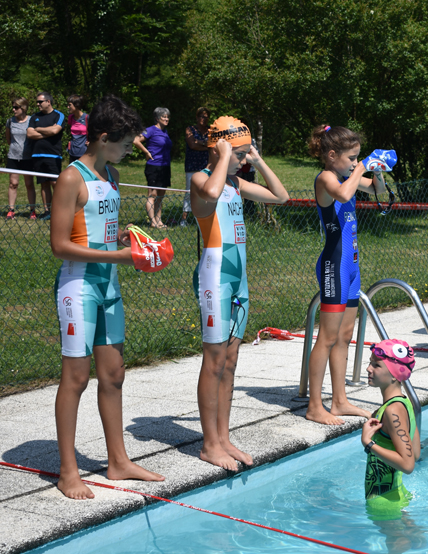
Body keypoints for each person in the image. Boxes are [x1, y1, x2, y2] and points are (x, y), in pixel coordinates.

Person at [50, 95, 165, 499]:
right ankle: (68, 470)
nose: (126, 151)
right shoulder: (71, 178)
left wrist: (133, 239)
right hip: (78, 287)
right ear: (101, 138)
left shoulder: (111, 176)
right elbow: (60, 245)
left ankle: (118, 460)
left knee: (114, 374)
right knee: (77, 378)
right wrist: (118, 254)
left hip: (109, 286)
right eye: (122, 144)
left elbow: (105, 231)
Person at [191, 116, 288, 470]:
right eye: (240, 154)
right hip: (215, 279)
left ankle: (223, 437)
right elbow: (211, 193)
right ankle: (209, 444)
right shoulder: (203, 180)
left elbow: (281, 196)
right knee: (214, 361)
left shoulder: (234, 183)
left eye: (247, 154)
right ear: (220, 148)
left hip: (239, 282)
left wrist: (258, 160)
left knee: (230, 363)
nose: (245, 161)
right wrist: (221, 155)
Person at [306, 125, 391, 424]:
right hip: (334, 265)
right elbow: (343, 195)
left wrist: (377, 171)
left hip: (351, 266)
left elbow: (377, 190)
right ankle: (315, 406)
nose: (355, 163)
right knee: (327, 338)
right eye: (351, 157)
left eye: (358, 158)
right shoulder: (327, 178)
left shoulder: (346, 176)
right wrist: (364, 166)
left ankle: (339, 400)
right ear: (332, 155)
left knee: (344, 336)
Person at [361, 340, 420, 516]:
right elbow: (415, 453)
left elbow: (408, 465)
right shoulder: (404, 403)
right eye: (370, 363)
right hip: (397, 493)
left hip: (384, 501)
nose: (368, 369)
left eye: (376, 365)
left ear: (394, 374)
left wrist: (368, 443)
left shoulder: (392, 411)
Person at [27, 91, 65, 220]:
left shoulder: (58, 115)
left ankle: (59, 210)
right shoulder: (34, 117)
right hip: (37, 155)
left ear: (48, 102)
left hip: (53, 155)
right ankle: (47, 211)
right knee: (44, 184)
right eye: (37, 102)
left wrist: (38, 129)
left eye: (40, 102)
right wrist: (47, 131)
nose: (38, 104)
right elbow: (30, 134)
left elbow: (55, 130)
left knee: (55, 183)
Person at [134, 107, 172, 229]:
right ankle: (152, 222)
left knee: (161, 195)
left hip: (165, 167)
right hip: (153, 166)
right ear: (157, 118)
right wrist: (146, 152)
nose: (166, 119)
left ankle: (159, 220)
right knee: (153, 194)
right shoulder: (151, 130)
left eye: (167, 117)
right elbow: (136, 140)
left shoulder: (165, 132)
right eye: (164, 117)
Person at [5, 97, 36, 219]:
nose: (13, 110)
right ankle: (11, 210)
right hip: (13, 157)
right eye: (13, 107)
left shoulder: (31, 120)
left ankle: (32, 210)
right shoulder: (10, 121)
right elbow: (9, 138)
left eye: (16, 107)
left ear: (23, 108)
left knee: (29, 184)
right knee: (13, 183)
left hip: (28, 158)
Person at [181, 107, 210, 227]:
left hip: (206, 164)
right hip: (192, 164)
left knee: (206, 191)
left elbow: (213, 145)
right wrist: (205, 145)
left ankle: (204, 217)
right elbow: (192, 144)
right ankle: (184, 219)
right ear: (197, 117)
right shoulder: (190, 129)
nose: (204, 119)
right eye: (201, 116)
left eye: (206, 117)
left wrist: (200, 143)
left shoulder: (210, 131)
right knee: (189, 191)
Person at [66, 94, 88, 165]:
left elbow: (96, 132)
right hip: (72, 151)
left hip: (83, 152)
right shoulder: (70, 118)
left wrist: (91, 141)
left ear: (76, 105)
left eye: (70, 105)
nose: (68, 107)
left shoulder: (87, 118)